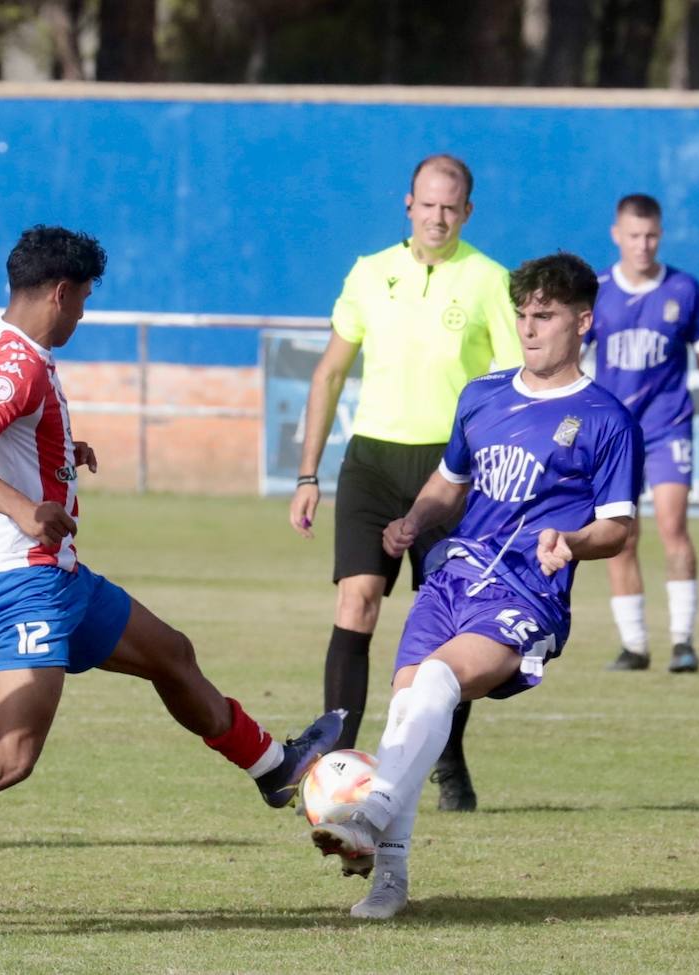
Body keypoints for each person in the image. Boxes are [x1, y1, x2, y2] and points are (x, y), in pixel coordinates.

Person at [0, 225, 342, 921]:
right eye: (84, 300)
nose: (84, 314)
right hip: (19, 581)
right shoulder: (19, 365)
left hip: (57, 578)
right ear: (59, 293)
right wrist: (26, 505)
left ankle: (275, 769)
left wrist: (44, 448)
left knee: (173, 654)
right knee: (8, 753)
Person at [307, 253, 642, 920]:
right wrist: (414, 518)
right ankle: (390, 881)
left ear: (582, 321)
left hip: (525, 592)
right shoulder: (482, 396)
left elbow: (621, 529)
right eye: (521, 314)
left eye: (543, 315)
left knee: (435, 684)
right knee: (408, 713)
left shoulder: (605, 418)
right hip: (452, 578)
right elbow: (449, 482)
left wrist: (571, 542)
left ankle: (371, 810)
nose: (528, 327)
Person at [288, 154, 522, 813]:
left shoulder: (488, 281)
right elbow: (329, 374)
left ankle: (448, 758)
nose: (437, 217)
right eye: (427, 204)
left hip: (451, 473)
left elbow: (509, 389)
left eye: (451, 206)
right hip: (371, 462)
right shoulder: (369, 274)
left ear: (467, 211)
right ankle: (337, 762)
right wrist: (307, 474)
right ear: (408, 204)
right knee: (355, 602)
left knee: (449, 629)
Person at [590, 194, 699, 674]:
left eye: (652, 236)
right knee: (622, 535)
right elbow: (567, 360)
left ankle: (683, 641)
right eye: (634, 236)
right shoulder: (596, 291)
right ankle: (634, 645)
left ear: (661, 235)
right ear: (617, 235)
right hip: (616, 435)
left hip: (667, 426)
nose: (643, 245)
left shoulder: (684, 288)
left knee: (672, 526)